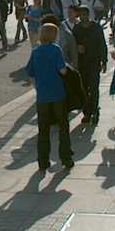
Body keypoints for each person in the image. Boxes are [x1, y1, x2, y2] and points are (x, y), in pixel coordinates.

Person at [25, 23, 73, 174]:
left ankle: (42, 160)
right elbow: (62, 70)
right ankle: (65, 157)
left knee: (43, 129)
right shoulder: (55, 50)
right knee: (63, 127)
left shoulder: (36, 51)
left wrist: (38, 86)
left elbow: (30, 72)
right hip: (57, 93)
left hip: (43, 96)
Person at [72, 5, 108, 124]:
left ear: (88, 14)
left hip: (94, 62)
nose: (83, 17)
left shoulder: (96, 27)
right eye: (80, 15)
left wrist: (104, 60)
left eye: (84, 14)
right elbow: (72, 45)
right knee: (83, 89)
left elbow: (102, 44)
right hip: (81, 63)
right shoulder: (76, 29)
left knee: (94, 87)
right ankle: (87, 112)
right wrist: (77, 48)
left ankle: (94, 110)